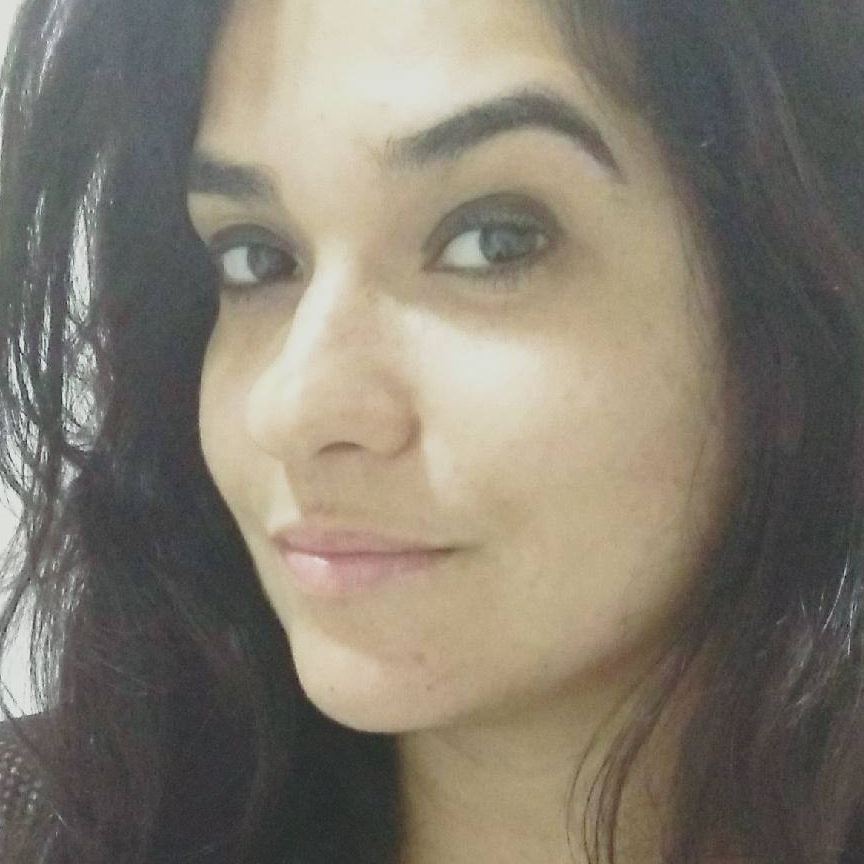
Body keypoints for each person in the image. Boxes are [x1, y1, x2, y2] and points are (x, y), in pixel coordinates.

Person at [0, 0, 862, 861]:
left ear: (791, 319)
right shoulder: (51, 818)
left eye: (495, 241)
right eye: (256, 257)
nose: (291, 409)